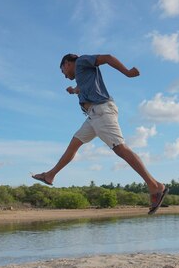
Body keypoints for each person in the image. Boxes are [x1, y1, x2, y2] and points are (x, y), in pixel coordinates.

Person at [32, 53, 169, 214]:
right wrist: (74, 91)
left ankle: (155, 186)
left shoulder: (82, 61)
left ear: (68, 63)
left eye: (63, 70)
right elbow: (82, 88)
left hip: (102, 111)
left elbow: (107, 58)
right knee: (74, 144)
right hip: (93, 116)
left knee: (120, 148)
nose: (64, 75)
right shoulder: (82, 77)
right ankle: (50, 175)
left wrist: (127, 72)